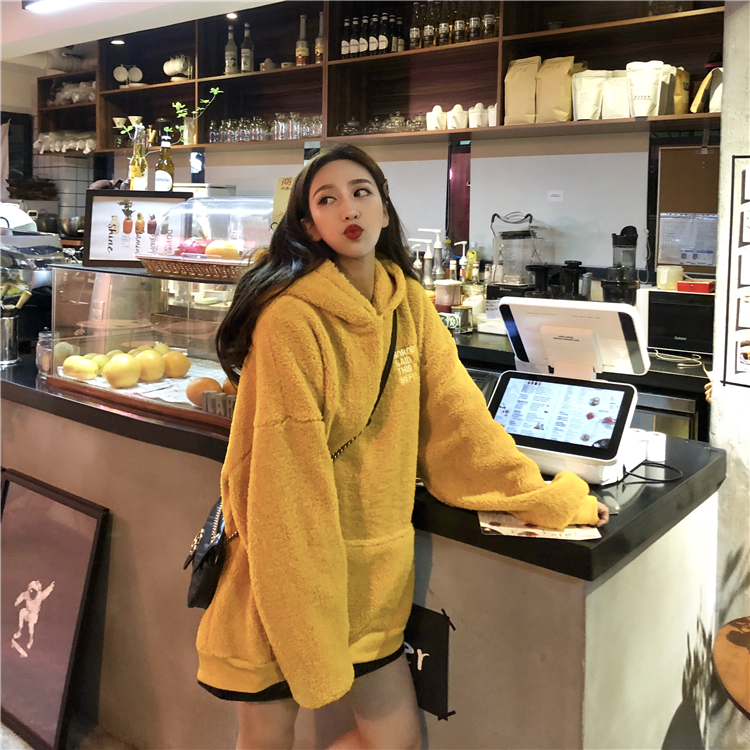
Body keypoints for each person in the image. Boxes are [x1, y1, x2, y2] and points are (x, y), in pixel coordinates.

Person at [198, 143, 608, 750]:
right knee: (267, 735)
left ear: (385, 209)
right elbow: (287, 476)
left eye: (361, 192)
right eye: (327, 199)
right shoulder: (290, 320)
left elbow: (461, 424)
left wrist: (544, 500)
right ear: (308, 226)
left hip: (374, 572)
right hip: (284, 568)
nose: (349, 208)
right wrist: (302, 597)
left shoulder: (410, 305)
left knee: (395, 741)